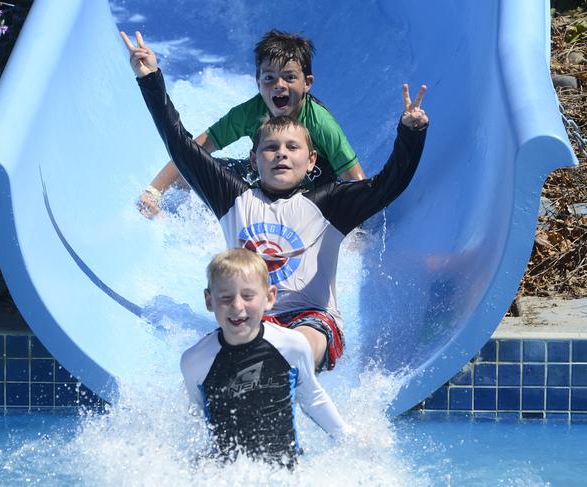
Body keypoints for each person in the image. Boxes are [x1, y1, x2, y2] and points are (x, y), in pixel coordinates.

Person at [121, 31, 429, 371]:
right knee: (206, 355)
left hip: (312, 320)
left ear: (310, 158)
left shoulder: (327, 203)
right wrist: (150, 79)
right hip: (256, 321)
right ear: (254, 158)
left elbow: (382, 185)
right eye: (270, 149)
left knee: (301, 341)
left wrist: (410, 136)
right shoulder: (235, 197)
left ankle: (287, 364)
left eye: (292, 149)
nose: (281, 154)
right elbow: (182, 145)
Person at [126, 29, 367, 217]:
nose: (279, 85)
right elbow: (191, 151)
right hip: (264, 178)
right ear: (258, 83)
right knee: (190, 176)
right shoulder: (250, 112)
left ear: (308, 83)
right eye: (269, 78)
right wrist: (154, 191)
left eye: (290, 77)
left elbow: (357, 181)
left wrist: (353, 227)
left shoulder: (322, 124)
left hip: (311, 188)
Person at [180, 248, 347, 466]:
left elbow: (312, 397)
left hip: (285, 472)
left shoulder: (292, 346)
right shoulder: (196, 360)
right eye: (225, 298)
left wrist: (348, 437)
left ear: (269, 298)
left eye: (248, 296)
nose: (237, 306)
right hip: (227, 476)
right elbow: (197, 413)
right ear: (209, 301)